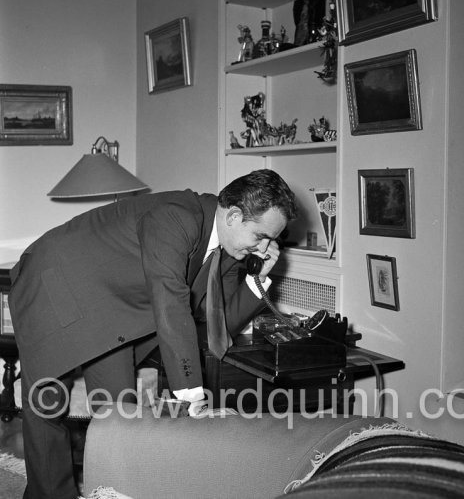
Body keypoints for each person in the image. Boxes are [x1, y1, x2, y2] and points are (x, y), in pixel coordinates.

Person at [8, 168, 297, 499]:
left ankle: (112, 492)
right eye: (262, 237)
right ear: (233, 216)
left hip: (109, 307)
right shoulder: (177, 217)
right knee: (46, 404)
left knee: (119, 413)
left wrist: (259, 279)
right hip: (55, 282)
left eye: (274, 240)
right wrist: (191, 395)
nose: (265, 248)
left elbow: (220, 323)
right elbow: (170, 301)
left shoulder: (231, 251)